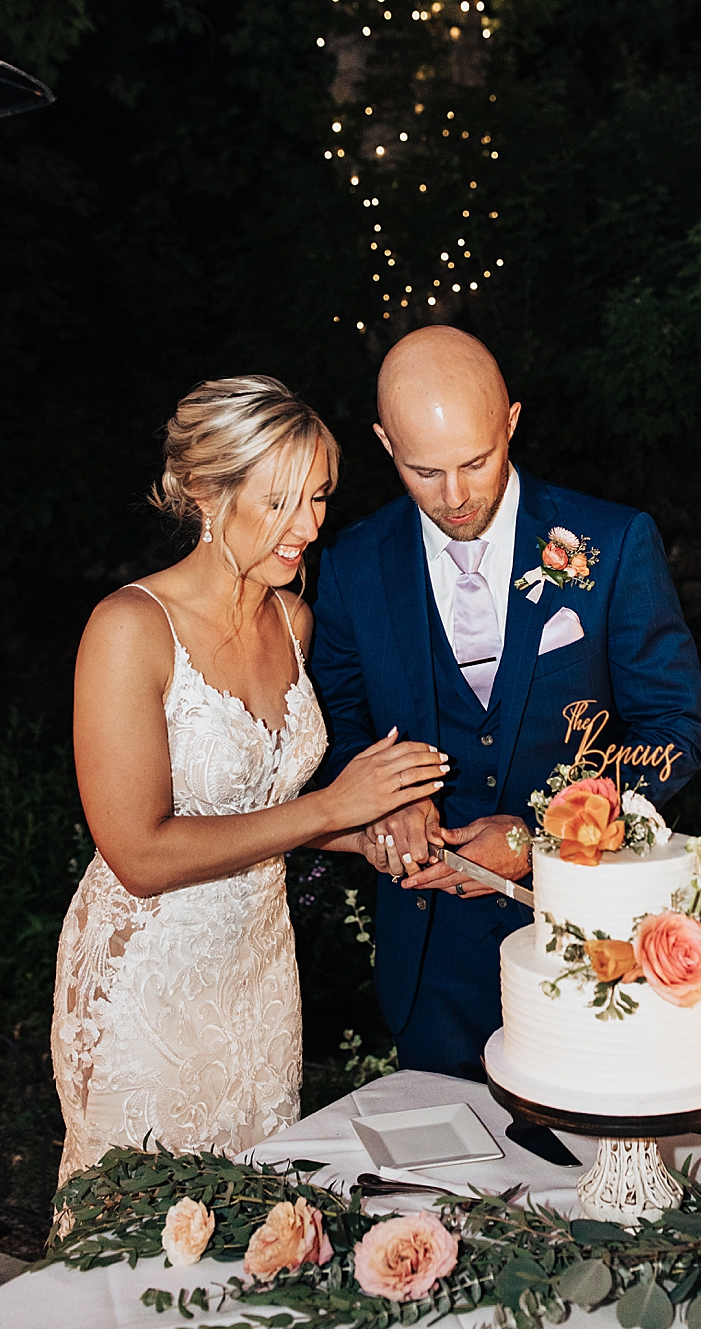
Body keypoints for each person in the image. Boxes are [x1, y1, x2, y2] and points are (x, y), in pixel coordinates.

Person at [52, 377, 448, 1184]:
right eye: (280, 503)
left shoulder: (292, 621)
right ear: (206, 492)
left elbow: (266, 810)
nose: (309, 527)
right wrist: (331, 806)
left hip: (260, 974)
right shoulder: (129, 628)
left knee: (252, 1208)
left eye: (319, 497)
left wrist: (369, 833)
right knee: (141, 1224)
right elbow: (140, 854)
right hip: (145, 985)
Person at [309, 326, 701, 1082]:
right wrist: (383, 801)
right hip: (430, 958)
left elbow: (672, 732)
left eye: (476, 461)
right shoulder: (354, 564)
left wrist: (541, 835)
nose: (455, 496)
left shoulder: (612, 541)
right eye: (424, 470)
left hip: (589, 935)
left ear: (512, 422)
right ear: (385, 443)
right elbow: (332, 727)